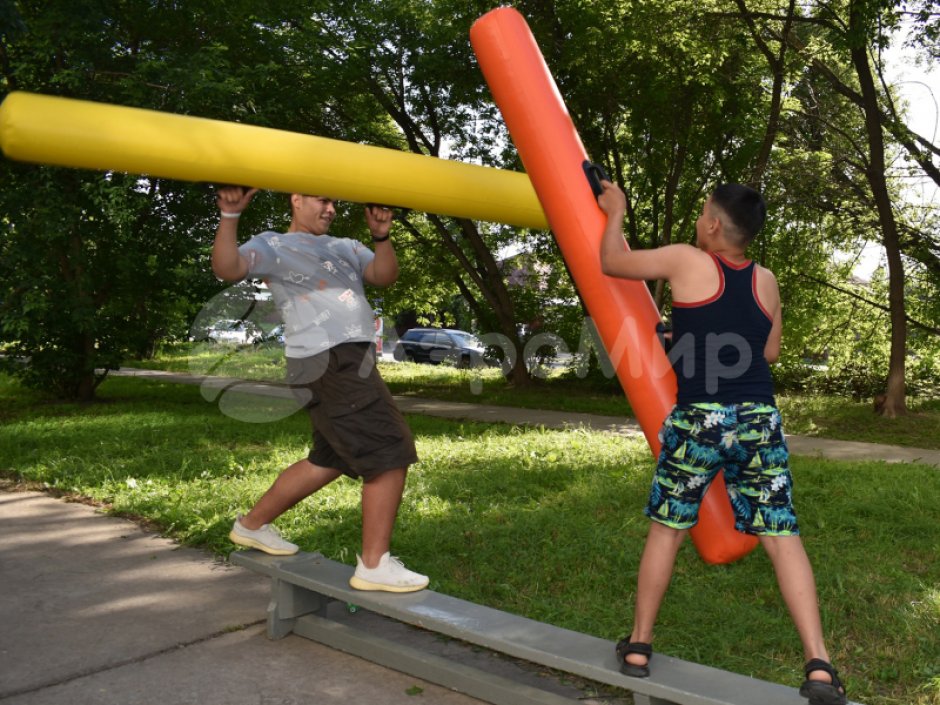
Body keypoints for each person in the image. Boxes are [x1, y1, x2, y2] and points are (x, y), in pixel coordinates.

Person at [597, 181, 847, 705]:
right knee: (782, 535)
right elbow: (769, 350)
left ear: (713, 224)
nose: (698, 221)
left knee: (667, 531)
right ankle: (820, 664)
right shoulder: (767, 280)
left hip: (700, 420)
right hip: (759, 418)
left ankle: (639, 646)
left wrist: (616, 211)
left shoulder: (687, 260)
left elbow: (613, 262)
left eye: (702, 213)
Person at [211, 185, 428, 593]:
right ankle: (374, 565)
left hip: (345, 360)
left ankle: (251, 525)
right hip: (330, 359)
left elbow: (384, 276)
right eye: (320, 200)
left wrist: (381, 237)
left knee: (327, 459)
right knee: (388, 449)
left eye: (334, 202)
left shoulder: (345, 246)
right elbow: (229, 268)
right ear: (295, 199)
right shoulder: (274, 245)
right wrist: (230, 217)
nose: (330, 209)